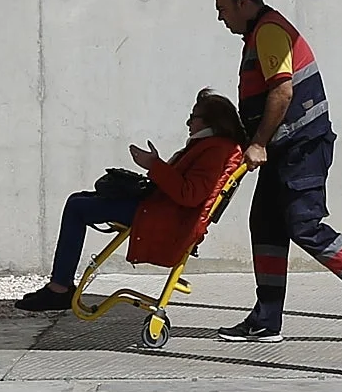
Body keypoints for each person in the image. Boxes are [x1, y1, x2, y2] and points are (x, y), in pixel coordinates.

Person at [209, 0, 342, 343]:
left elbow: (282, 92)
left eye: (223, 8)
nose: (221, 17)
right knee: (265, 226)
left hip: (301, 148)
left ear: (244, 3)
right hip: (283, 148)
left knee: (303, 224)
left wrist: (258, 142)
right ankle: (266, 318)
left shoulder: (270, 33)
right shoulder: (259, 34)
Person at [14, 88, 247, 312]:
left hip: (163, 216)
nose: (188, 123)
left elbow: (190, 194)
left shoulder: (214, 150)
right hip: (160, 209)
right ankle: (60, 285)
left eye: (193, 117)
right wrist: (157, 166)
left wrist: (154, 166)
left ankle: (60, 287)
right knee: (79, 201)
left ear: (210, 122)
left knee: (77, 207)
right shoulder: (211, 146)